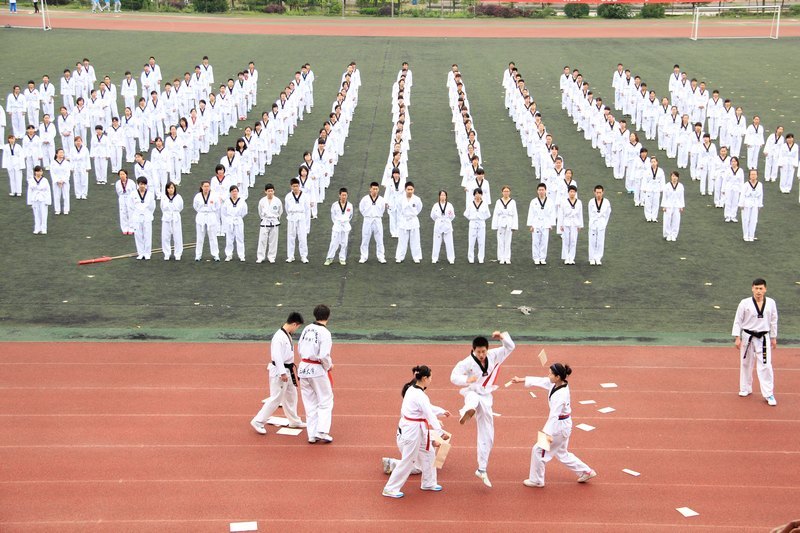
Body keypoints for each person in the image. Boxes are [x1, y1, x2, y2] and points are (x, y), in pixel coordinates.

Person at [511, 363, 597, 488]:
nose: (548, 375)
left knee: (538, 450)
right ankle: (587, 471)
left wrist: (548, 434)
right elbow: (542, 381)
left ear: (557, 377)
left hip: (559, 427)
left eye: (550, 373)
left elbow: (554, 416)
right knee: (562, 453)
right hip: (563, 425)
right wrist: (521, 380)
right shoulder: (556, 383)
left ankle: (537, 480)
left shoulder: (561, 395)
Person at [450, 331, 516, 488]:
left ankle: (482, 468)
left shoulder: (493, 355)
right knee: (472, 400)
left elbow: (511, 347)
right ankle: (467, 412)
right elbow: (453, 377)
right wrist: (466, 379)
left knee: (488, 433)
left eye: (483, 351)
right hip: (472, 390)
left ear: (487, 349)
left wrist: (502, 337)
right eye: (478, 351)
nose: (481, 354)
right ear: (473, 350)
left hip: (487, 395)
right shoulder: (466, 362)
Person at [382, 365, 450, 499]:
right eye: (430, 377)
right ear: (424, 378)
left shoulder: (412, 389)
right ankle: (390, 488)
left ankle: (429, 482)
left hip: (416, 427)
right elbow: (429, 414)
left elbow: (427, 409)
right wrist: (441, 433)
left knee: (429, 452)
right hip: (412, 431)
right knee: (409, 459)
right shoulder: (419, 394)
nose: (431, 380)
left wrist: (441, 411)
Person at [251, 312, 307, 435]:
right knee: (276, 398)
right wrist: (282, 373)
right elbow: (277, 357)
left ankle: (294, 420)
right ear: (294, 324)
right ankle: (258, 421)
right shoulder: (279, 337)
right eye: (297, 326)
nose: (297, 329)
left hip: (288, 370)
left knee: (291, 395)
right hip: (280, 371)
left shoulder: (286, 334)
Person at [732, 278, 778, 406]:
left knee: (766, 365)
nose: (758, 291)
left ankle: (769, 393)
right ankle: (745, 388)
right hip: (747, 336)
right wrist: (737, 336)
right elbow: (738, 320)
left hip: (763, 338)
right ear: (752, 288)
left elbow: (774, 320)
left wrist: (773, 337)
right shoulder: (744, 303)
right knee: (746, 363)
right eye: (756, 288)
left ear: (765, 289)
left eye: (761, 288)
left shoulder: (771, 303)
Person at [297, 304, 335, 444]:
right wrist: (329, 365)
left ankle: (312, 434)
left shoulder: (307, 329)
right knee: (325, 400)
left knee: (309, 402)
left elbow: (300, 347)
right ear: (328, 316)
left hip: (303, 367)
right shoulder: (325, 333)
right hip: (317, 369)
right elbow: (324, 354)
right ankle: (322, 431)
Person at [358, 182, 387, 264]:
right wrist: (366, 215)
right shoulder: (365, 199)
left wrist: (377, 215)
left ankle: (381, 257)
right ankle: (363, 256)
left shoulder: (381, 199)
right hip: (367, 220)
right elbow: (361, 208)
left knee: (380, 239)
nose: (375, 190)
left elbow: (382, 209)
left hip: (377, 220)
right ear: (370, 189)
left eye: (376, 189)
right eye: (373, 189)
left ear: (378, 189)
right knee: (365, 239)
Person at [527, 182, 556, 265]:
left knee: (544, 241)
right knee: (535, 241)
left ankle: (542, 258)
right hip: (536, 222)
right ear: (537, 191)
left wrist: (551, 224)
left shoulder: (550, 201)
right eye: (539, 190)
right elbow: (531, 213)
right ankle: (536, 258)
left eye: (542, 190)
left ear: (546, 190)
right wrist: (531, 225)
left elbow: (552, 213)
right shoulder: (533, 201)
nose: (541, 191)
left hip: (546, 222)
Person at [324, 188, 353, 266]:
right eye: (342, 195)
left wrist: (345, 221)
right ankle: (329, 258)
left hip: (346, 225)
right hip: (337, 225)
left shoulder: (350, 205)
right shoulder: (335, 205)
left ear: (347, 196)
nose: (344, 197)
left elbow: (350, 216)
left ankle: (342, 258)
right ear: (339, 195)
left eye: (345, 195)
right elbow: (332, 216)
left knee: (344, 243)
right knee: (334, 242)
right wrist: (337, 222)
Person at [395, 181, 423, 263]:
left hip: (413, 220)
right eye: (408, 189)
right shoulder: (400, 199)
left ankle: (416, 257)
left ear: (413, 190)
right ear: (405, 189)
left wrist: (412, 215)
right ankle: (400, 257)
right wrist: (405, 215)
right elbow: (399, 208)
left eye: (411, 189)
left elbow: (419, 209)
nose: (410, 191)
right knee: (402, 240)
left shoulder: (417, 199)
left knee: (415, 240)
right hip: (404, 220)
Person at [285, 177, 311, 264]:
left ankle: (303, 256)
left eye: (297, 186)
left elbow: (307, 210)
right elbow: (286, 208)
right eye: (293, 186)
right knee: (291, 237)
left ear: (299, 186)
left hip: (301, 216)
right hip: (292, 216)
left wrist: (307, 223)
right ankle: (290, 256)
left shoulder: (305, 196)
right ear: (291, 187)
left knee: (302, 237)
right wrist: (290, 215)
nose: (295, 188)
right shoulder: (288, 196)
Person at [129, 176, 156, 260]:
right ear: (138, 184)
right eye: (141, 184)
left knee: (147, 234)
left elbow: (152, 206)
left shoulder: (150, 194)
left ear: (146, 185)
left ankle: (147, 253)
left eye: (144, 184)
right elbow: (131, 206)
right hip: (137, 216)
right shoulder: (133, 194)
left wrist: (147, 213)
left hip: (147, 216)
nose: (142, 186)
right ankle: (140, 253)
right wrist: (136, 213)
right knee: (138, 235)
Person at [193, 180, 220, 261]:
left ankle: (215, 254)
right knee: (200, 237)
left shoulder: (214, 196)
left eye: (208, 186)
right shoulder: (197, 196)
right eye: (205, 186)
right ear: (201, 187)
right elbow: (195, 206)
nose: (206, 188)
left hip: (211, 215)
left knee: (213, 237)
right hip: (201, 215)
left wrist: (211, 210)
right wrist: (202, 210)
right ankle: (198, 255)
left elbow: (217, 205)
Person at [256, 183, 282, 264]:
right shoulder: (262, 201)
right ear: (265, 191)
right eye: (268, 191)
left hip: (274, 222)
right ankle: (260, 257)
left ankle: (271, 256)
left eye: (271, 191)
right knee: (262, 240)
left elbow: (280, 211)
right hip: (265, 221)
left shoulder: (277, 201)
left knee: (273, 241)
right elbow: (260, 212)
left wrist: (276, 218)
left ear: (274, 191)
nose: (270, 192)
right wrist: (264, 218)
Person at [463, 188, 491, 264]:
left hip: (481, 223)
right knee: (471, 241)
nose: (477, 195)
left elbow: (488, 214)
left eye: (479, 193)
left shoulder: (484, 204)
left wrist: (482, 218)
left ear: (481, 195)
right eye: (476, 194)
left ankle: (481, 258)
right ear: (474, 195)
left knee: (481, 242)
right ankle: (471, 258)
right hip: (472, 223)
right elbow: (465, 214)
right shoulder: (470, 203)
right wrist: (471, 219)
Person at [491, 185, 518, 265]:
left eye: (507, 191)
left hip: (509, 222)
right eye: (504, 191)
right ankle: (501, 257)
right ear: (502, 192)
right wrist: (494, 225)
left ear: (510, 192)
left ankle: (507, 257)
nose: (506, 193)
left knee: (508, 240)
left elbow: (515, 214)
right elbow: (495, 214)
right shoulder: (498, 201)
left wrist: (514, 226)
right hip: (500, 222)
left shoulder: (513, 202)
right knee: (500, 241)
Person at [558, 185, 583, 265]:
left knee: (573, 240)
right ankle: (566, 257)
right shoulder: (564, 201)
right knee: (566, 240)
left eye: (573, 192)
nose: (572, 193)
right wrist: (560, 225)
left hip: (575, 223)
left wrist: (580, 225)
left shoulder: (579, 202)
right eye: (570, 191)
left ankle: (571, 258)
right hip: (566, 222)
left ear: (575, 193)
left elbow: (580, 214)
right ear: (568, 192)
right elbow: (561, 213)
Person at [587, 185, 611, 265]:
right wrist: (592, 222)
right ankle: (591, 258)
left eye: (600, 192)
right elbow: (590, 213)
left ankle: (598, 258)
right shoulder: (591, 202)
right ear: (594, 192)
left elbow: (608, 213)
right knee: (592, 240)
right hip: (593, 223)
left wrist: (604, 223)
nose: (598, 194)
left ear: (603, 192)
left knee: (600, 241)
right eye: (597, 192)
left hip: (601, 223)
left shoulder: (606, 202)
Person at [222, 185, 247, 262]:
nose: (234, 193)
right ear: (230, 192)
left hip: (238, 220)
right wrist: (229, 218)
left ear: (238, 192)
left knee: (240, 238)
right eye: (233, 191)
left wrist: (238, 217)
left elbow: (244, 212)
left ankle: (241, 255)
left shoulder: (242, 201)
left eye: (236, 191)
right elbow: (224, 212)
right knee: (229, 238)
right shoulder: (227, 201)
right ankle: (229, 255)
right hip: (229, 220)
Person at [430, 190, 456, 264]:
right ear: (439, 196)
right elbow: (432, 216)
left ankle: (451, 259)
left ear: (446, 196)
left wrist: (446, 220)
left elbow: (452, 216)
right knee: (436, 242)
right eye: (441, 195)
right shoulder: (435, 205)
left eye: (444, 195)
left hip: (447, 225)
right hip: (438, 225)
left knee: (449, 242)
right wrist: (439, 220)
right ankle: (434, 258)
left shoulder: (450, 205)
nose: (443, 196)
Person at [161, 181, 183, 261]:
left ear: (174, 188)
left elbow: (181, 207)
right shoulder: (164, 197)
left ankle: (178, 253)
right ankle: (167, 253)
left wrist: (174, 212)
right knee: (165, 236)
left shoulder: (178, 197)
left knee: (177, 236)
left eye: (172, 188)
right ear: (166, 189)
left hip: (176, 217)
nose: (170, 190)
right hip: (166, 217)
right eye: (169, 188)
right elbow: (162, 207)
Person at [739, 169, 763, 242]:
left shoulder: (759, 184)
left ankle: (751, 235)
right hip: (746, 203)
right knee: (746, 219)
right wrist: (741, 204)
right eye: (752, 174)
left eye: (755, 174)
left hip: (755, 203)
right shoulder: (746, 184)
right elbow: (742, 195)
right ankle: (745, 235)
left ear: (757, 175)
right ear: (749, 175)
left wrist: (759, 205)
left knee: (754, 220)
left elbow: (761, 195)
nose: (753, 176)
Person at [661, 171, 685, 242]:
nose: (674, 178)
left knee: (676, 220)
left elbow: (681, 197)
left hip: (677, 205)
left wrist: (681, 206)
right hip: (668, 205)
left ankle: (674, 235)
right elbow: (664, 196)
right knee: (667, 220)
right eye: (673, 176)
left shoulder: (680, 186)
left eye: (676, 176)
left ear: (678, 177)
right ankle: (668, 234)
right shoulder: (667, 185)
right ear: (671, 177)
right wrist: (664, 206)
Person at [27, 165, 51, 235]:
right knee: (36, 214)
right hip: (34, 198)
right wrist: (30, 201)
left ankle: (44, 228)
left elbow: (48, 191)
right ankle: (37, 228)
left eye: (40, 171)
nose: (39, 173)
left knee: (43, 214)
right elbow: (29, 191)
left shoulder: (45, 180)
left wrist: (48, 201)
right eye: (37, 171)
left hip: (43, 198)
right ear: (35, 172)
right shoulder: (31, 180)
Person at [114, 169, 135, 234]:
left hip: (130, 197)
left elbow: (134, 191)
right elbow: (118, 192)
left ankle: (132, 228)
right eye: (120, 174)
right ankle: (124, 228)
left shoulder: (131, 182)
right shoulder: (117, 183)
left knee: (131, 212)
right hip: (122, 197)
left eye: (123, 174)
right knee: (123, 212)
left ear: (126, 175)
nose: (122, 176)